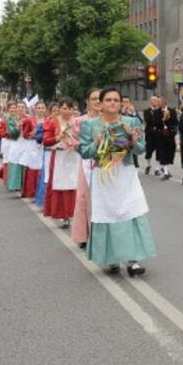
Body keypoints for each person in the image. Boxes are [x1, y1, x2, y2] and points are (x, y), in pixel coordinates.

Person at [78, 87, 154, 276]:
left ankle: (133, 259)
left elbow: (140, 149)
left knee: (130, 213)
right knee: (108, 215)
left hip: (125, 174)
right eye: (109, 100)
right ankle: (111, 258)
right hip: (103, 176)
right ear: (101, 104)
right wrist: (96, 143)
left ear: (121, 103)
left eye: (116, 100)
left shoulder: (131, 122)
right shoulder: (90, 125)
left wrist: (132, 141)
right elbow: (84, 152)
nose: (113, 103)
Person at [43, 97, 81, 229]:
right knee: (62, 185)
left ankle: (76, 213)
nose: (67, 111)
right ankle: (65, 215)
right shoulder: (53, 122)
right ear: (59, 109)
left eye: (70, 108)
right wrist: (59, 137)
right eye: (64, 108)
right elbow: (46, 141)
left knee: (76, 184)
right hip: (60, 157)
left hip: (75, 156)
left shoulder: (77, 122)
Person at [72, 88, 102, 249]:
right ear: (87, 101)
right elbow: (74, 141)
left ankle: (101, 235)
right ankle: (83, 234)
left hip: (105, 164)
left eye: (100, 98)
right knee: (84, 197)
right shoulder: (80, 121)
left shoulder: (108, 119)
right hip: (86, 163)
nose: (97, 101)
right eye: (94, 98)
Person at [157, 98, 178, 180]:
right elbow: (156, 123)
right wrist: (163, 119)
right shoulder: (157, 112)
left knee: (170, 153)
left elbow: (176, 122)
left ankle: (165, 169)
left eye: (160, 102)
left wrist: (169, 118)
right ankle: (165, 172)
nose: (158, 103)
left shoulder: (172, 111)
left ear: (165, 102)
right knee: (163, 153)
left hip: (170, 135)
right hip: (161, 136)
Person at [121, 95, 143, 169]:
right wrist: (123, 112)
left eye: (127, 102)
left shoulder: (133, 112)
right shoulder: (118, 112)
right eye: (124, 102)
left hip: (132, 137)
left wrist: (133, 113)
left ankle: (135, 167)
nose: (126, 103)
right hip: (121, 138)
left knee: (133, 154)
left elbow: (140, 122)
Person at [143, 95, 163, 176]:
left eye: (156, 100)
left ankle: (157, 169)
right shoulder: (147, 111)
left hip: (158, 134)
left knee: (159, 151)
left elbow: (161, 121)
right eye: (153, 100)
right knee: (149, 151)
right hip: (149, 134)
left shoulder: (161, 111)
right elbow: (148, 120)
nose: (155, 101)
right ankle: (148, 165)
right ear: (150, 101)